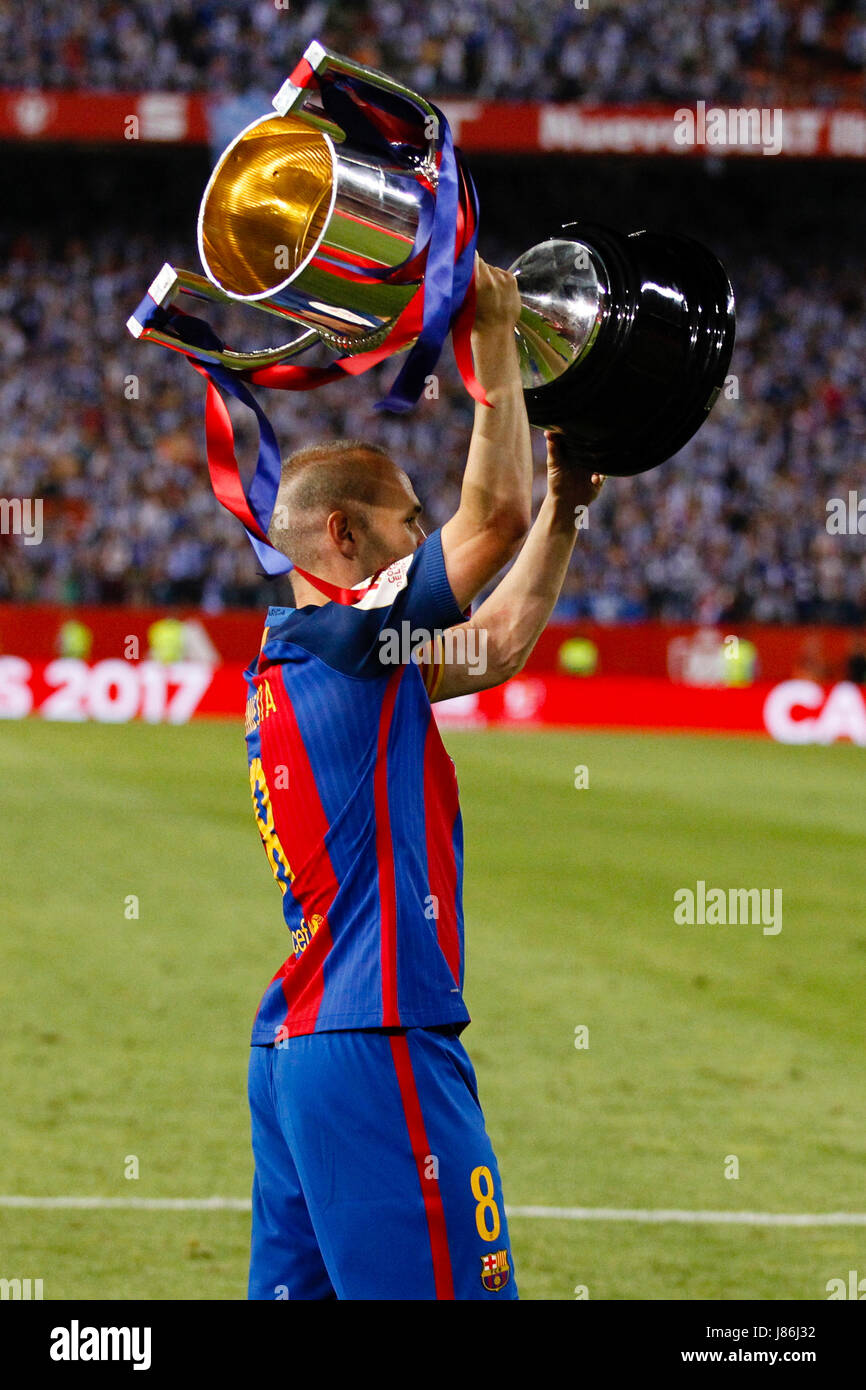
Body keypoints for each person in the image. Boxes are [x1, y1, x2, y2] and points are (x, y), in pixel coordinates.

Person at [242, 257, 605, 1300]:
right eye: (410, 520)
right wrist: (494, 334)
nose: (425, 534)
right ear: (344, 537)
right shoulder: (350, 633)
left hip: (298, 1047)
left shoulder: (312, 661)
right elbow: (488, 520)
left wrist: (566, 510)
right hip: (378, 1034)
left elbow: (492, 645)